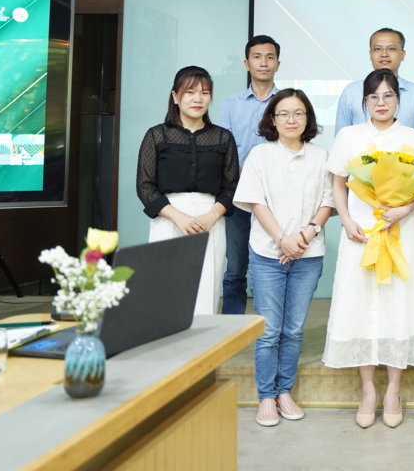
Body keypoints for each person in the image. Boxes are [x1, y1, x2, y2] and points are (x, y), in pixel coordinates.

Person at [323, 69, 414, 429]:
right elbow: (338, 183)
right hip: (360, 232)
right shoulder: (349, 136)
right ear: (364, 101)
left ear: (399, 100)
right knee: (360, 305)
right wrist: (345, 220)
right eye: (373, 97)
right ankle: (368, 390)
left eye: (388, 96)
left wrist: (406, 209)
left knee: (398, 304)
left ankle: (393, 391)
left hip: (401, 232)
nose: (381, 103)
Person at [233, 88, 333, 428]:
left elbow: (328, 201)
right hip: (268, 253)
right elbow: (256, 202)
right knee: (269, 329)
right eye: (284, 114)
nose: (292, 119)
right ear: (272, 120)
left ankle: (284, 391)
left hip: (308, 254)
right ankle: (266, 395)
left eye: (298, 113)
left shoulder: (320, 156)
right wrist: (282, 239)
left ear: (308, 119)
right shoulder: (260, 155)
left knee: (293, 329)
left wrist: (305, 235)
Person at [137, 65, 239, 315]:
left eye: (205, 92)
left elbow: (232, 186)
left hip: (210, 219)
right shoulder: (157, 135)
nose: (198, 99)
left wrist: (211, 215)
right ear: (175, 96)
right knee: (166, 292)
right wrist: (178, 217)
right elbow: (145, 186)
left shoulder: (223, 138)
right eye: (190, 92)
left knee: (207, 290)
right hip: (168, 218)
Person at [216, 34, 280, 315]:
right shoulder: (231, 105)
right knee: (235, 268)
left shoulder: (287, 102)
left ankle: (271, 328)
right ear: (246, 63)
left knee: (275, 265)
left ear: (278, 63)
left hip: (278, 196)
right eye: (257, 57)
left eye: (269, 57)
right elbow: (222, 150)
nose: (263, 62)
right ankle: (232, 329)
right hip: (240, 194)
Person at [335, 28, 414, 140]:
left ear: (402, 54)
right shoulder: (351, 92)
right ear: (370, 54)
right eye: (377, 49)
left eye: (391, 49)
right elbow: (340, 140)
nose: (384, 54)